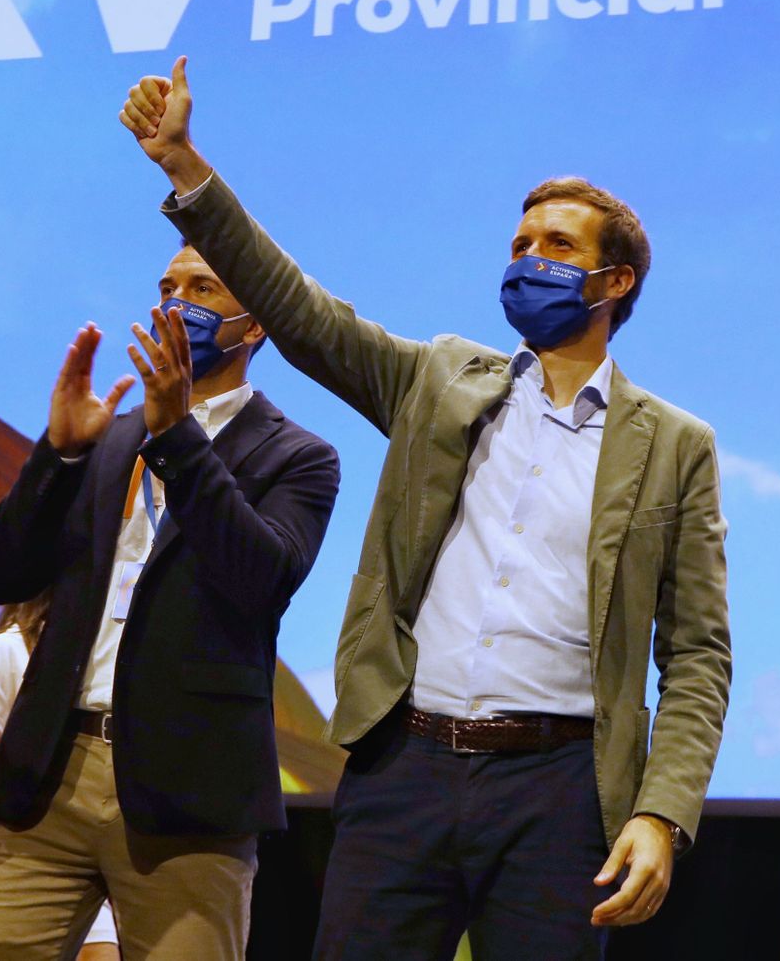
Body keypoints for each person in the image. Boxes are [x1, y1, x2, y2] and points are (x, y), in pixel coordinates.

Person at [120, 57, 732, 959]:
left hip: (561, 790)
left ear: (616, 283)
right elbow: (302, 311)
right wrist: (185, 169)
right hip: (405, 768)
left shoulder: (675, 444)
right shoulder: (440, 378)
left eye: (559, 247)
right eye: (520, 245)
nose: (529, 261)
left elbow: (697, 655)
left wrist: (661, 813)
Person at [0, 242, 341, 961]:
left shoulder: (299, 456)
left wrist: (178, 439)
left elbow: (259, 579)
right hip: (52, 775)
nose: (176, 302)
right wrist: (59, 453)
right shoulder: (108, 439)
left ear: (252, 325)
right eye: (168, 285)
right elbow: (4, 576)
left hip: (190, 796)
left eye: (202, 289)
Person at [0, 591, 121, 960]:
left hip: (81, 855)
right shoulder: (3, 653)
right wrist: (67, 785)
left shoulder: (98, 671)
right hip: (8, 855)